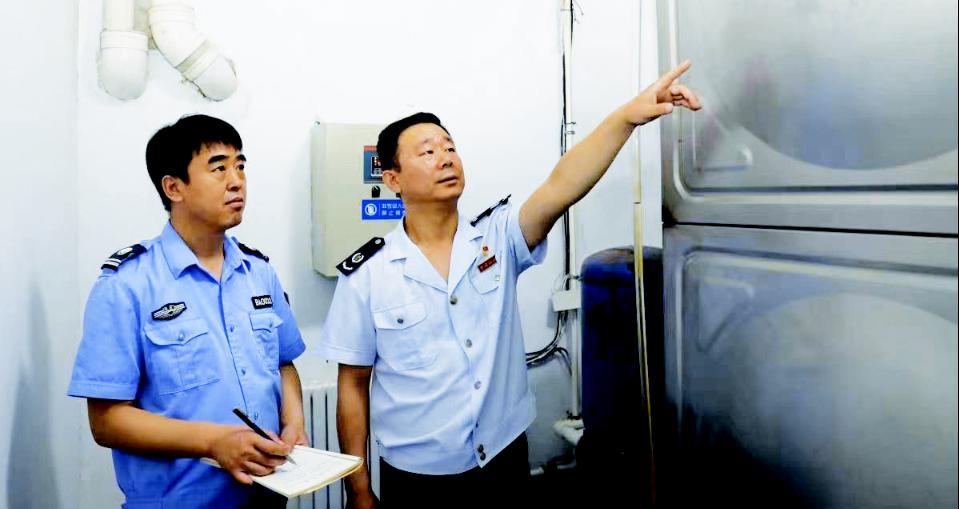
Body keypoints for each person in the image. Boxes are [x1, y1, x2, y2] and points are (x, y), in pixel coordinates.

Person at [316, 60, 701, 509]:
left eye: (450, 147)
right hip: (418, 475)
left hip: (503, 460)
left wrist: (627, 117)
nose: (445, 157)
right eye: (427, 152)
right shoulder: (368, 274)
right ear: (392, 179)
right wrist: (358, 488)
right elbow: (353, 384)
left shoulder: (497, 237)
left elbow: (562, 185)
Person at [67, 114, 308, 508]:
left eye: (240, 166)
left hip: (266, 492)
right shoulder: (127, 285)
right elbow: (106, 421)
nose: (236, 181)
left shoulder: (258, 272)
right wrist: (214, 442)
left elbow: (283, 363)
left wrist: (293, 422)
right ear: (174, 187)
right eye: (218, 168)